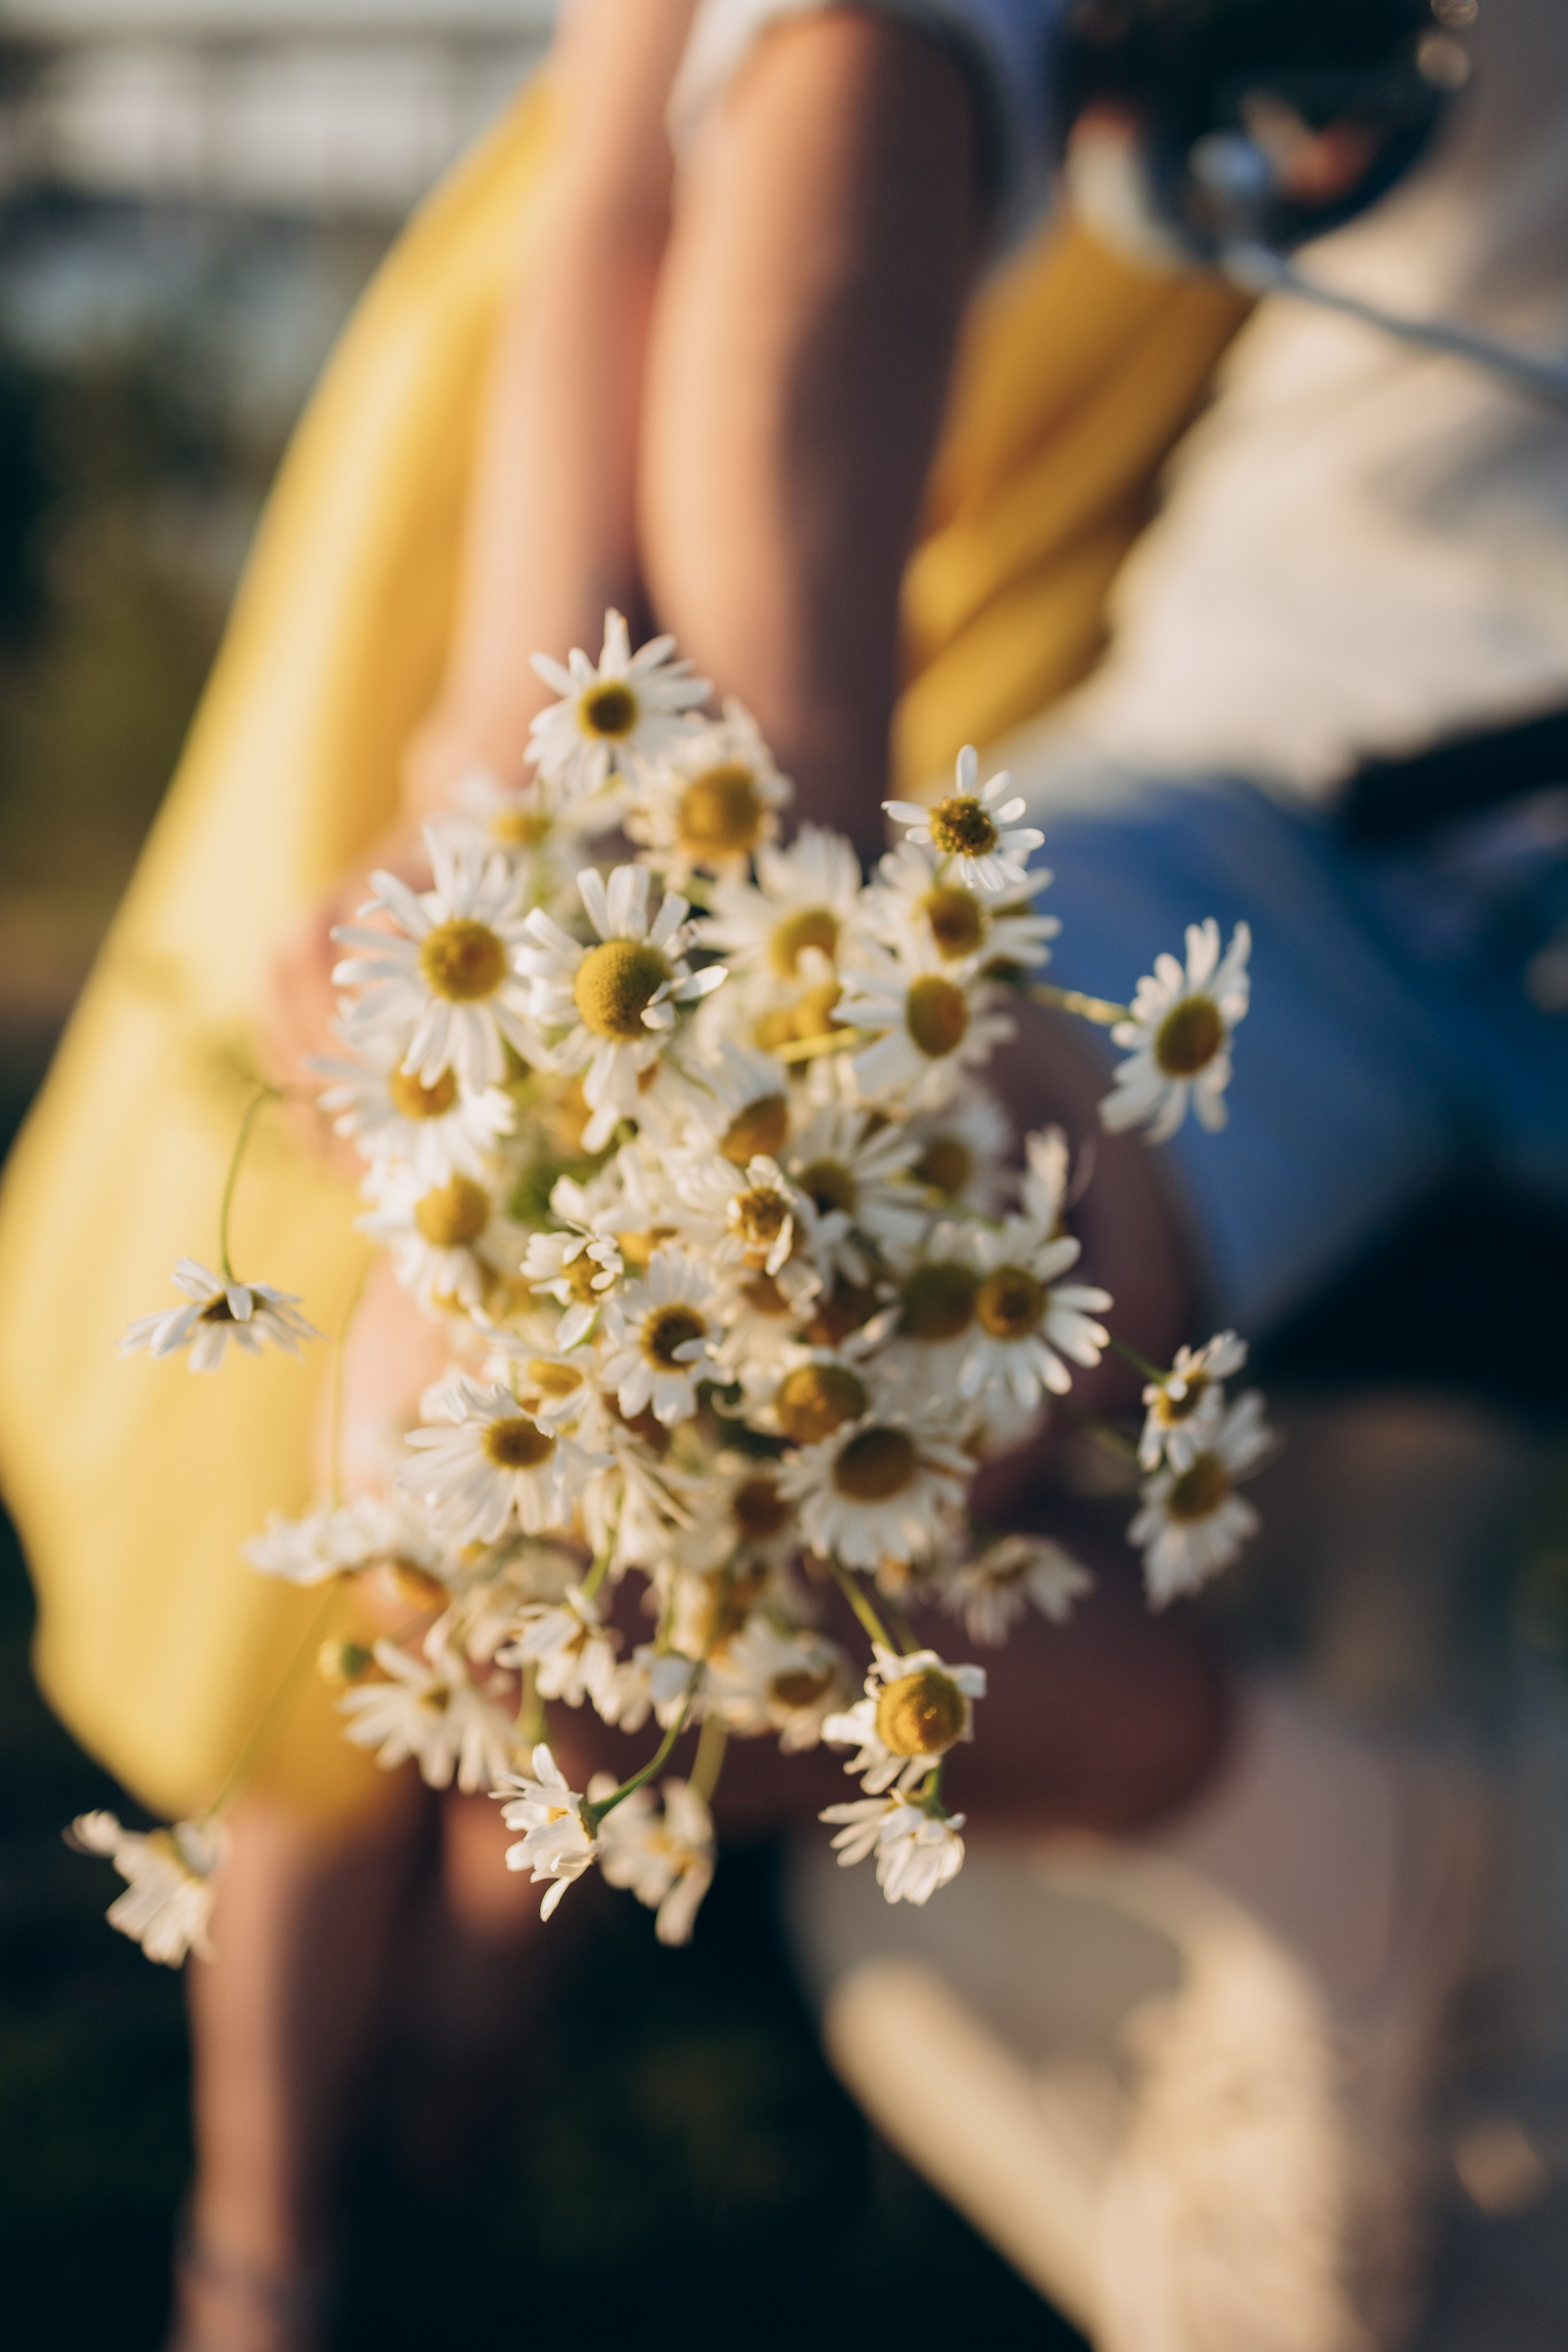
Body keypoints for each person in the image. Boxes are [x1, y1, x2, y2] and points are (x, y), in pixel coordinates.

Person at [0, 2, 1562, 2348]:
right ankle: (310, 2180)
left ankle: (466, 2019)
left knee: (604, 1481)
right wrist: (748, 843)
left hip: (1006, 543)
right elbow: (825, 71)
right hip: (1232, 772)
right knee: (526, 1492)